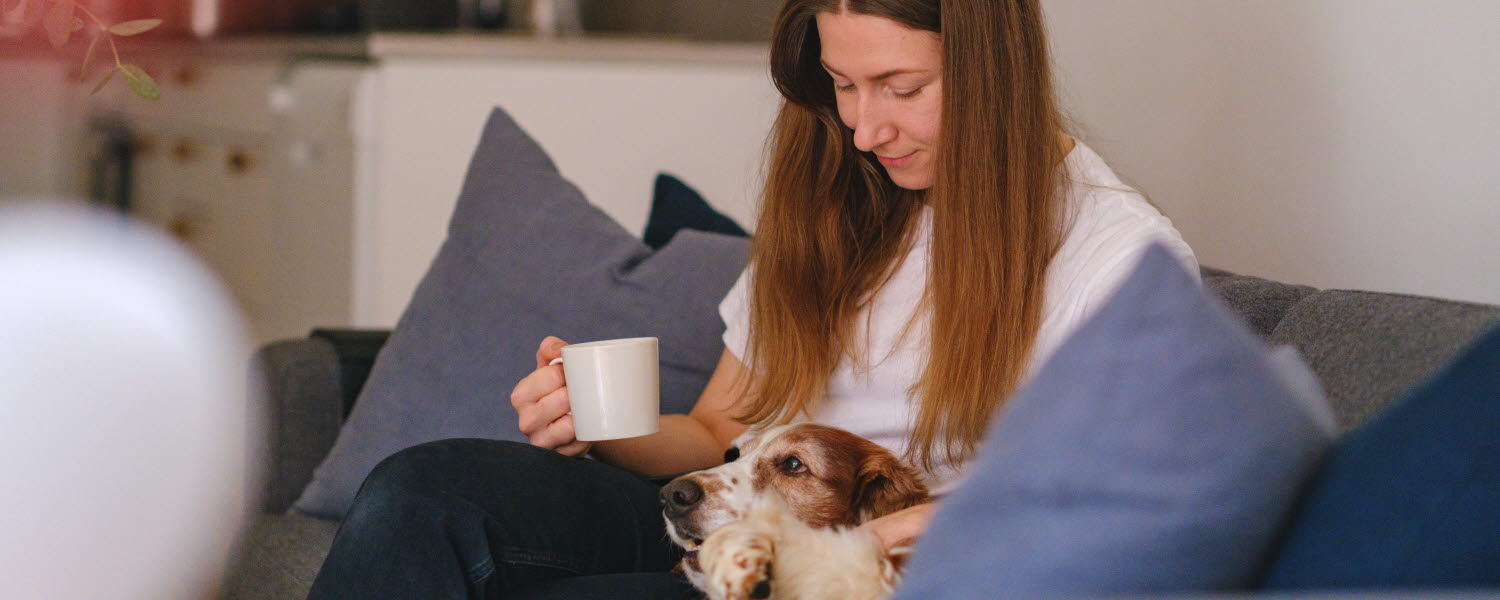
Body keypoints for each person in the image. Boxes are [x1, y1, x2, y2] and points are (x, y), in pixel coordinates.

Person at [308, 1, 1196, 598]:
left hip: (867, 570)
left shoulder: (1117, 255)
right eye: (843, 85)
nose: (865, 129)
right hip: (729, 516)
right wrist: (598, 422)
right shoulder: (849, 201)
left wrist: (831, 552)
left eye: (903, 88)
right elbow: (711, 432)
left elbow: (1093, 502)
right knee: (420, 493)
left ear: (995, 71)